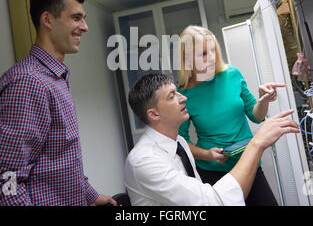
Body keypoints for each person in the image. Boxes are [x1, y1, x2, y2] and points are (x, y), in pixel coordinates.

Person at [0, 0, 116, 206]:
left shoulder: (54, 79)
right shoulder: (29, 83)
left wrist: (91, 196)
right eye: (76, 18)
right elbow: (3, 182)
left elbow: (60, 157)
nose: (85, 27)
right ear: (48, 20)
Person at [124, 73, 299, 205]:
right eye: (172, 96)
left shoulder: (179, 143)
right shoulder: (144, 161)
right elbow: (214, 202)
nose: (183, 98)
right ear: (154, 114)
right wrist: (256, 144)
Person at [177, 25, 285, 206]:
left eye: (213, 50)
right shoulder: (183, 96)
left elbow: (256, 115)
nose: (211, 58)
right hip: (212, 172)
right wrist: (207, 155)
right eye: (203, 54)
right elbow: (182, 142)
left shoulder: (232, 75)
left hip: (248, 163)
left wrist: (264, 100)